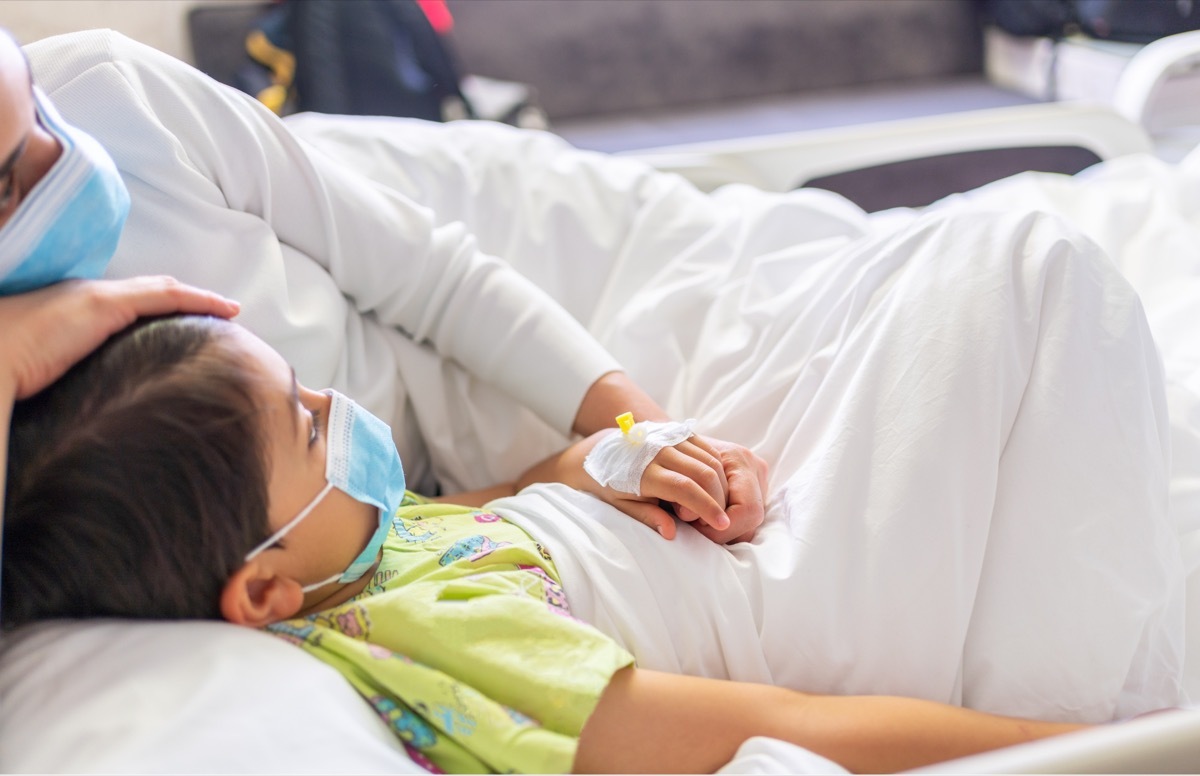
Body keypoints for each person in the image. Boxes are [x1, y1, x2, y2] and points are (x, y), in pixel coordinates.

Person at [1, 307, 1092, 774]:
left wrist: (607, 462)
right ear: (260, 591)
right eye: (305, 422)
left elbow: (506, 499)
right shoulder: (438, 635)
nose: (336, 403)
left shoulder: (358, 546)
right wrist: (1084, 746)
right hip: (780, 596)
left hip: (689, 513)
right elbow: (783, 722)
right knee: (1017, 285)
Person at [0, 26, 766, 544]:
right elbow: (304, 550)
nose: (66, 156)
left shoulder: (110, 88)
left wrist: (648, 433)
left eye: (36, 103)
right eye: (7, 182)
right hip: (387, 510)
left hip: (426, 349)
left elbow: (432, 277)